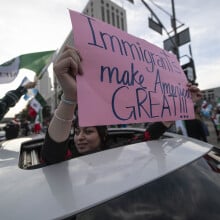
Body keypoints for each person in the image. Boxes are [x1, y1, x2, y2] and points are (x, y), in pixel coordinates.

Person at [41, 46, 202, 165]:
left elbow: (148, 136)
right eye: (76, 132)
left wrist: (183, 101)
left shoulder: (119, 153)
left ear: (103, 135)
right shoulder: (68, 160)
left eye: (88, 131)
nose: (80, 137)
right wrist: (70, 97)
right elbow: (51, 158)